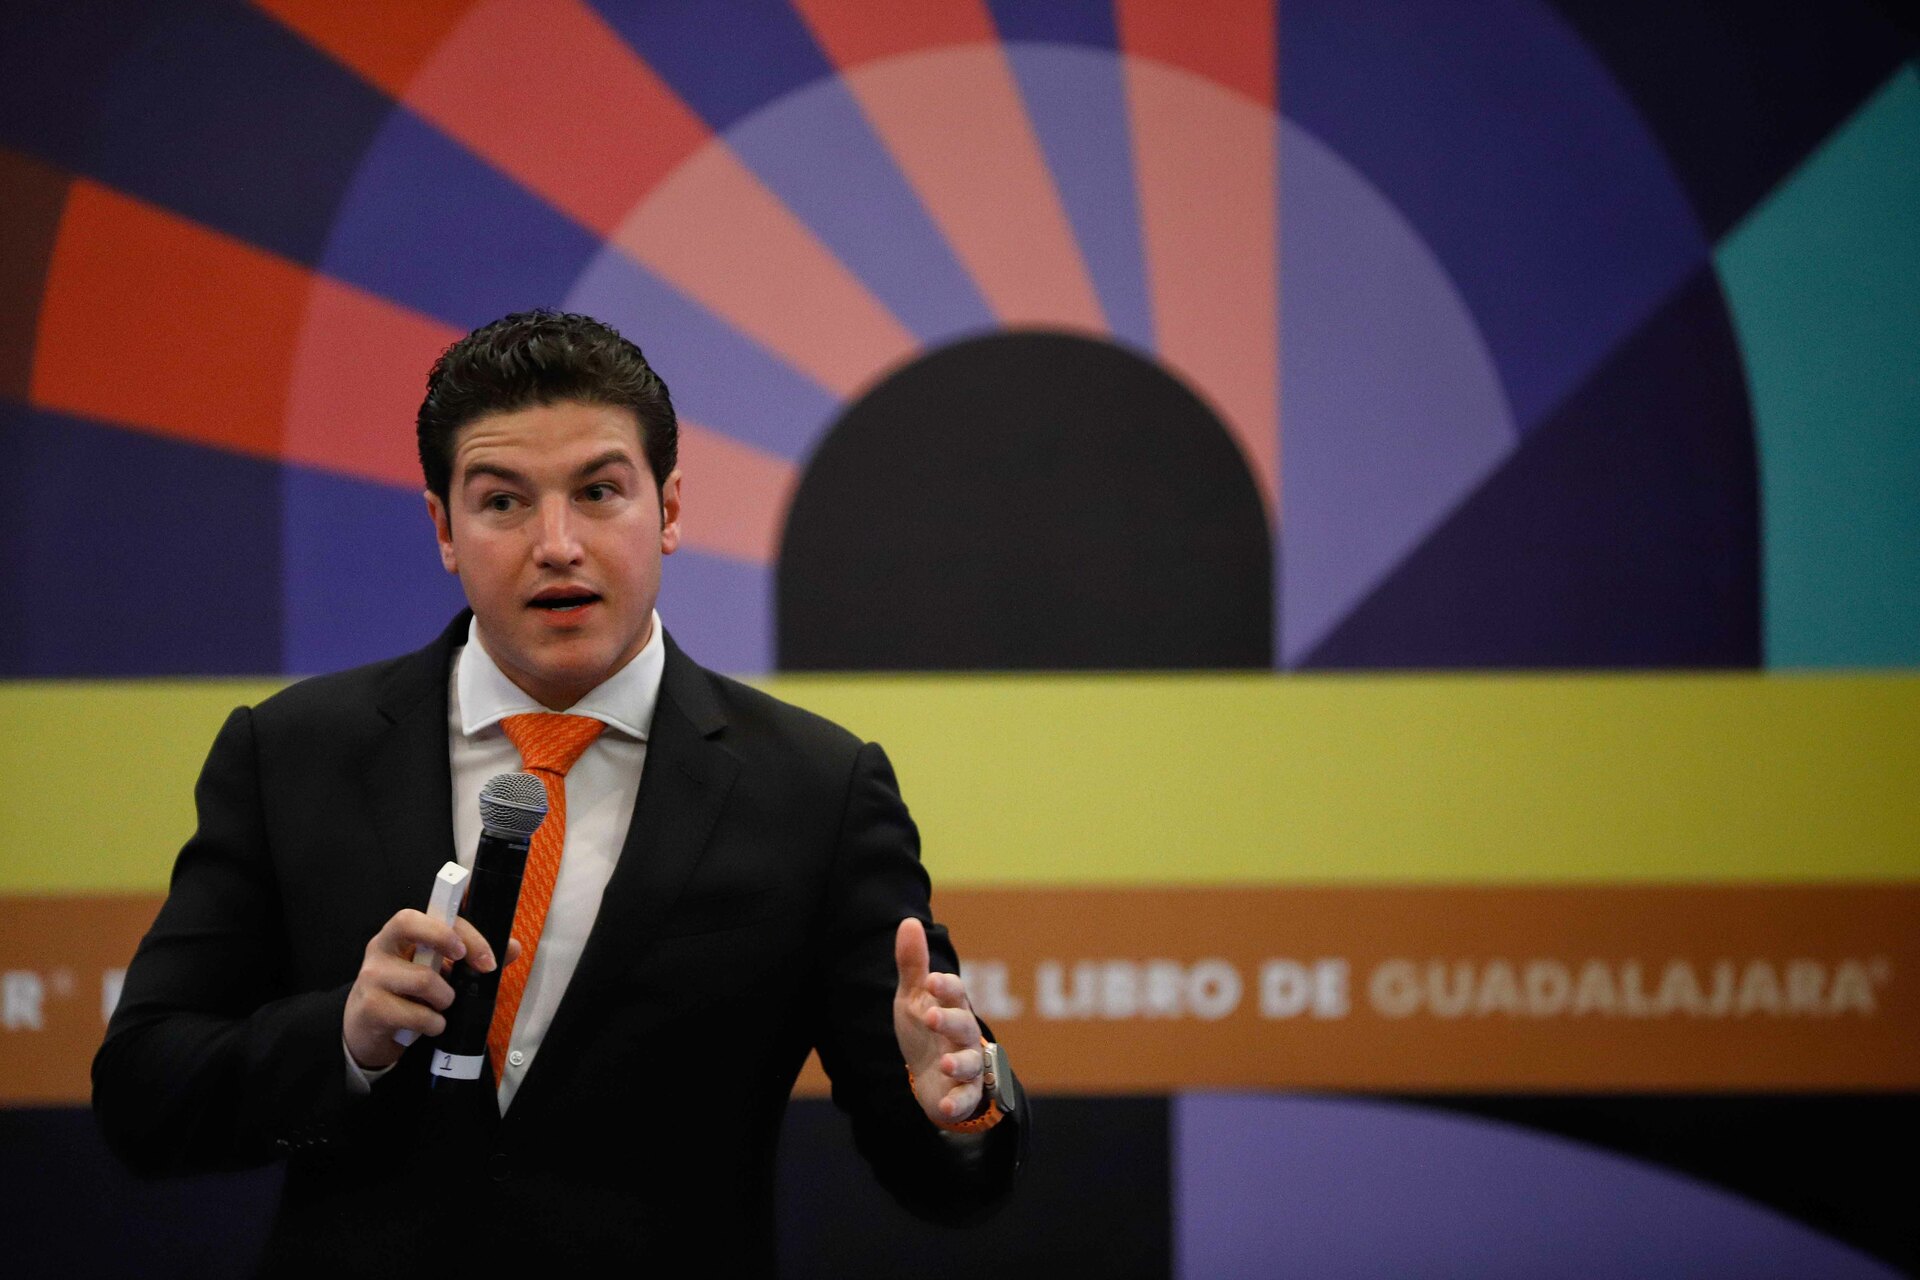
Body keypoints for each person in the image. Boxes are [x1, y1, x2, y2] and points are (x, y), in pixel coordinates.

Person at [91, 310, 1027, 1274]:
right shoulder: (292, 754)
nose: (557, 543)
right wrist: (346, 1039)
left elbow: (951, 1176)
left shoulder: (816, 790)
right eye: (503, 501)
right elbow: (142, 1095)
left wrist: (956, 1102)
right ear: (443, 529)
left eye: (598, 492)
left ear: (668, 510)